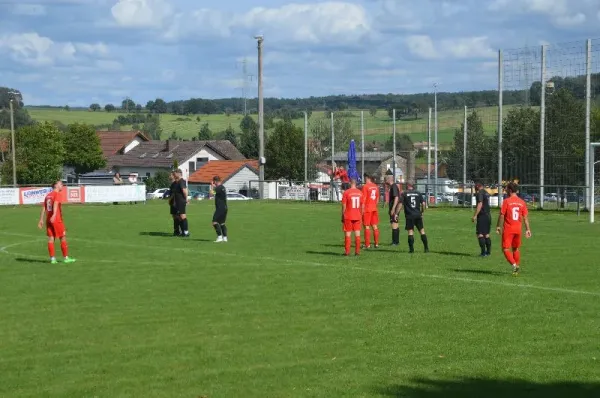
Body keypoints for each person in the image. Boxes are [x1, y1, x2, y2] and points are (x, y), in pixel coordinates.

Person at [496, 182, 532, 275]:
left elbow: (501, 215)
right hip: (518, 229)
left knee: (505, 249)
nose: (505, 190)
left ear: (510, 190)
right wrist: (528, 229)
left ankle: (514, 265)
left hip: (509, 229)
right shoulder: (522, 202)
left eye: (507, 189)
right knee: (515, 248)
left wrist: (498, 226)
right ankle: (516, 270)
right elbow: (525, 217)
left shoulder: (507, 201)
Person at [37, 181, 76, 264]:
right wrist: (54, 215)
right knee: (63, 237)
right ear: (56, 185)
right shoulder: (57, 194)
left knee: (51, 238)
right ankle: (66, 258)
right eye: (61, 184)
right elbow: (55, 204)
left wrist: (41, 219)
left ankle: (52, 259)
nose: (62, 185)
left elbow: (44, 207)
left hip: (48, 219)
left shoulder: (48, 195)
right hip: (56, 220)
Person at [399, 181, 429, 253]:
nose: (405, 186)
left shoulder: (405, 193)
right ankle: (426, 248)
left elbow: (400, 204)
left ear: (408, 185)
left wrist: (397, 213)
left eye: (406, 184)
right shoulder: (418, 193)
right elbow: (424, 204)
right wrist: (422, 212)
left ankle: (411, 250)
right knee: (422, 231)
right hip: (418, 215)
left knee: (410, 232)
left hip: (409, 215)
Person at [341, 178, 363, 256]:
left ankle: (347, 252)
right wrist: (361, 214)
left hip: (348, 215)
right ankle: (357, 252)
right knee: (357, 234)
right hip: (357, 215)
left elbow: (344, 206)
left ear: (350, 183)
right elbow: (362, 205)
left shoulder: (346, 192)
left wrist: (343, 215)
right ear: (356, 184)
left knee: (348, 234)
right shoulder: (360, 193)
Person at [472, 183, 492, 256]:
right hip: (488, 215)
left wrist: (475, 215)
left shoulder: (479, 193)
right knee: (486, 234)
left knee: (480, 234)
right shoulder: (485, 192)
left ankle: (483, 253)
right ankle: (488, 252)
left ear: (476, 188)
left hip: (482, 216)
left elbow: (480, 204)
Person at [361, 174, 380, 249]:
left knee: (366, 226)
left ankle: (367, 245)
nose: (364, 179)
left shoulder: (365, 186)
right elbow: (378, 198)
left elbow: (364, 199)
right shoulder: (375, 186)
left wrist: (362, 209)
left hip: (367, 209)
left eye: (364, 178)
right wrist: (375, 205)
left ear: (367, 178)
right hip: (374, 208)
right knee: (375, 226)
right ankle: (376, 244)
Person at [172, 169, 190, 237]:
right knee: (178, 217)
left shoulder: (181, 181)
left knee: (182, 216)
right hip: (176, 202)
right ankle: (182, 231)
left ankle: (186, 232)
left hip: (180, 202)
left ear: (178, 173)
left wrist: (186, 199)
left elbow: (185, 191)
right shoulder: (177, 182)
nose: (174, 175)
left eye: (175, 173)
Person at [385, 172, 401, 246]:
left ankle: (395, 242)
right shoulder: (393, 186)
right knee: (395, 224)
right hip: (395, 208)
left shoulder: (394, 186)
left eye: (385, 179)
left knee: (394, 224)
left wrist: (393, 208)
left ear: (389, 179)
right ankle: (396, 241)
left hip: (394, 208)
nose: (385, 181)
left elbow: (396, 197)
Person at [211, 176, 228, 242]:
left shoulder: (218, 188)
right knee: (222, 223)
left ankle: (219, 237)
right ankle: (225, 238)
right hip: (225, 207)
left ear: (215, 181)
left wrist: (212, 186)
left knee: (214, 222)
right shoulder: (222, 187)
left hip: (220, 208)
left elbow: (211, 194)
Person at [168, 171, 182, 236]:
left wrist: (170, 199)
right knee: (174, 217)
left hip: (175, 202)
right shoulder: (172, 184)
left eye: (170, 175)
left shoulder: (174, 183)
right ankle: (176, 231)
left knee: (177, 216)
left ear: (173, 176)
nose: (169, 176)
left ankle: (180, 230)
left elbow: (174, 193)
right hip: (172, 202)